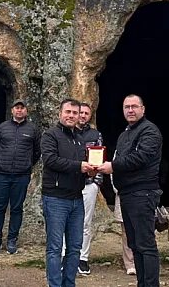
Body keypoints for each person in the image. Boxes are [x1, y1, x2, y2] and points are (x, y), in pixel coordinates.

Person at [97, 94, 163, 287]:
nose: (130, 110)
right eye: (127, 107)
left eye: (134, 106)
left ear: (143, 109)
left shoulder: (149, 130)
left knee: (146, 245)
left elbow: (141, 157)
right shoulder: (125, 134)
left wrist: (113, 167)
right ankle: (142, 283)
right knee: (134, 245)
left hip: (143, 193)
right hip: (126, 194)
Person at [41, 99, 96, 287]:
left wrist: (91, 171)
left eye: (75, 112)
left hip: (76, 199)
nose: (72, 116)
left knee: (75, 248)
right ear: (60, 113)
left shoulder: (80, 139)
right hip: (55, 198)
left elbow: (83, 165)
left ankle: (69, 284)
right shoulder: (50, 135)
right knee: (55, 248)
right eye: (68, 112)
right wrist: (80, 166)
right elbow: (50, 160)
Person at [0, 99, 41, 255]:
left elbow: (37, 151)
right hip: (2, 174)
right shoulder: (2, 128)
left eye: (22, 108)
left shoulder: (32, 130)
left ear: (26, 111)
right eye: (16, 108)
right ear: (12, 110)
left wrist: (27, 165)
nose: (19, 111)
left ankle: (12, 239)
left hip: (21, 175)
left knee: (17, 208)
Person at [75, 102, 103, 275]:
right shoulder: (68, 132)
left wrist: (96, 182)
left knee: (86, 222)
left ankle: (83, 258)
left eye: (86, 113)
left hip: (88, 184)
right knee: (67, 221)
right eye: (81, 112)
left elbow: (100, 158)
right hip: (70, 185)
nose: (83, 116)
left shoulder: (95, 134)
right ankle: (66, 255)